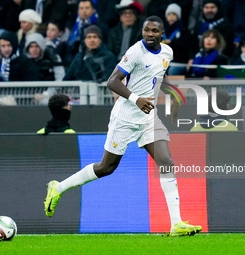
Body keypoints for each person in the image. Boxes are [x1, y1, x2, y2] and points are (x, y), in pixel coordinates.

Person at [44, 15, 203, 237]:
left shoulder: (167, 52)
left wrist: (173, 95)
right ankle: (58, 188)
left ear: (162, 34)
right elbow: (112, 81)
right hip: (125, 118)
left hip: (148, 118)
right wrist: (136, 98)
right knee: (106, 167)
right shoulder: (136, 52)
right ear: (142, 31)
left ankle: (176, 223)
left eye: (155, 31)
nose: (150, 34)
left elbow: (159, 76)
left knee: (166, 162)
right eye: (146, 30)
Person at [163, 3, 192, 75]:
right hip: (163, 61)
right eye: (169, 14)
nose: (171, 17)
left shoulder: (183, 30)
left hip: (178, 62)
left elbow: (185, 45)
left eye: (174, 14)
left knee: (173, 71)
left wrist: (172, 42)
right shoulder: (162, 30)